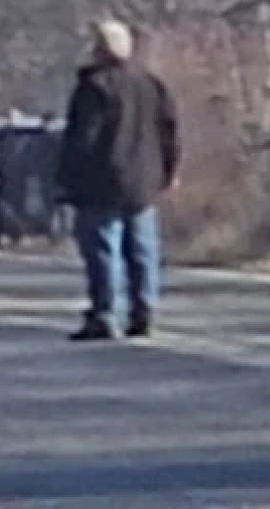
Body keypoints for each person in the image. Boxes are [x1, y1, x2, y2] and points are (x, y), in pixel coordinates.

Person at [56, 19, 180, 341]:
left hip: (101, 181)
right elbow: (169, 132)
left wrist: (68, 180)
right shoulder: (151, 85)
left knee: (103, 250)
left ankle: (104, 314)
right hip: (144, 180)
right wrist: (169, 171)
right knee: (142, 249)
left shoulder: (95, 86)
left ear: (98, 49)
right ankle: (144, 311)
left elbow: (83, 138)